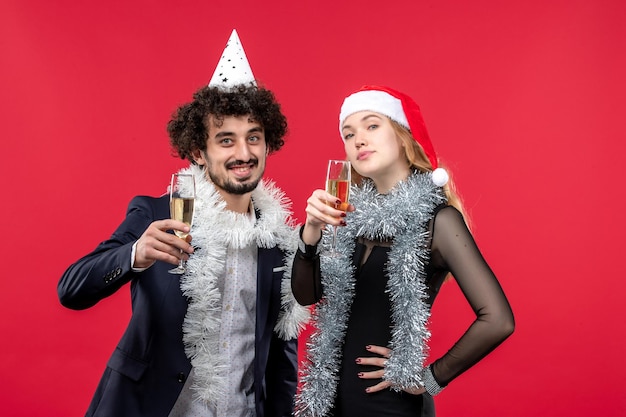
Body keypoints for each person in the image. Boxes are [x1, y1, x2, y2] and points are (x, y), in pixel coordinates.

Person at [57, 29, 308, 417]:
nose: (243, 153)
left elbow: (281, 358)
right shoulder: (157, 215)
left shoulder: (280, 240)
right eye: (226, 140)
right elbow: (71, 289)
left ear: (267, 143)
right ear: (198, 151)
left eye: (253, 138)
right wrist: (135, 254)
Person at [291, 85, 515, 417]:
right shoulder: (349, 219)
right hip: (330, 403)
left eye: (372, 125)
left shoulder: (438, 221)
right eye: (348, 134)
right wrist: (310, 233)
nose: (358, 140)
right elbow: (307, 296)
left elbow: (498, 320)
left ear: (402, 135)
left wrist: (432, 378)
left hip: (390, 408)